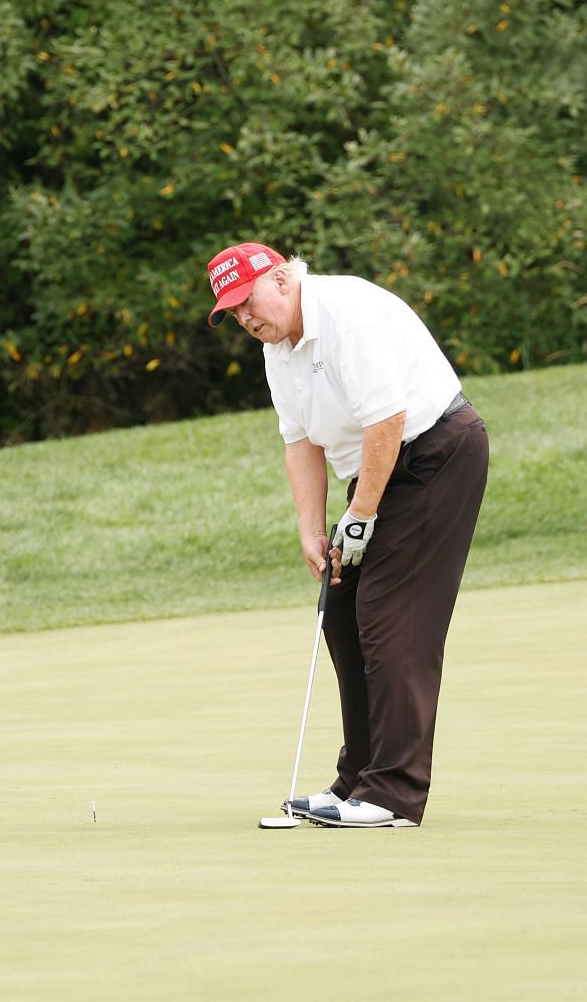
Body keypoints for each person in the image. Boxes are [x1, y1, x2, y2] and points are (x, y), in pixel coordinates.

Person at [206, 242, 489, 828]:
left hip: (434, 454)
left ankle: (395, 794)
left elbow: (386, 419)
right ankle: (358, 779)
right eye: (232, 313)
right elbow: (300, 442)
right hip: (382, 469)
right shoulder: (277, 349)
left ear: (282, 280)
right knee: (341, 607)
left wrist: (358, 517)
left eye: (247, 302)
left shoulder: (346, 315)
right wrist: (313, 529)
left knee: (392, 615)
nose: (245, 319)